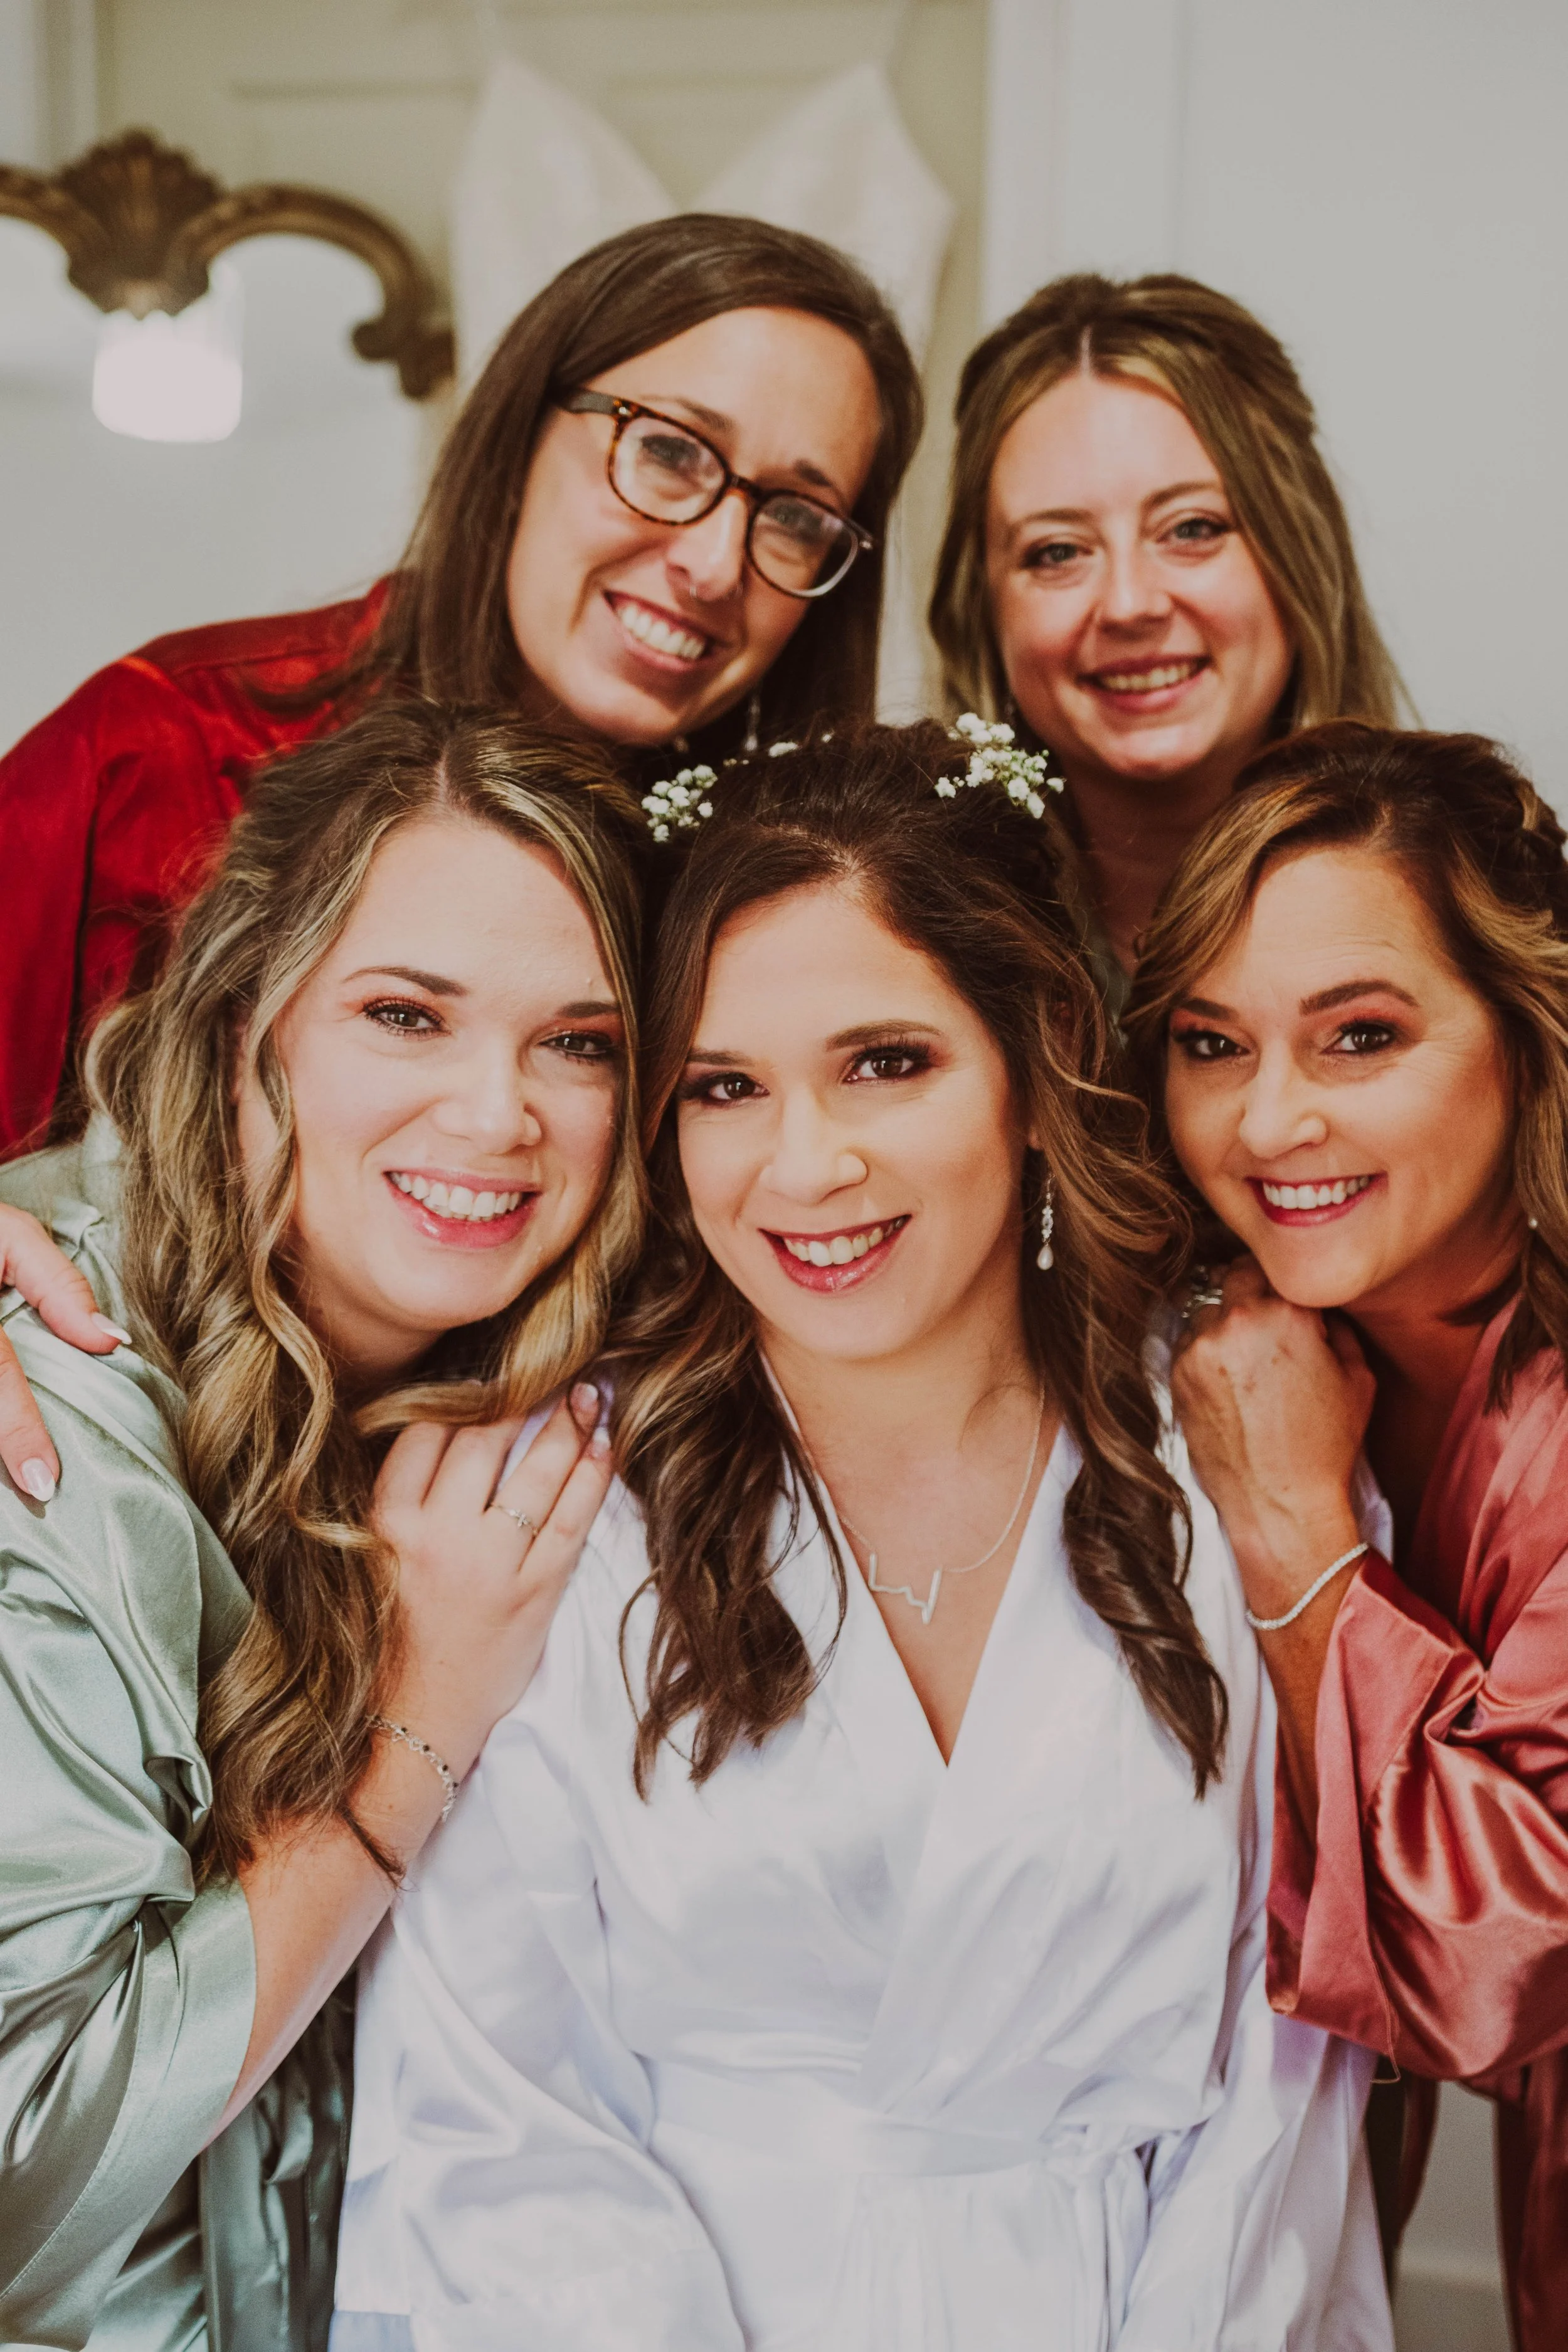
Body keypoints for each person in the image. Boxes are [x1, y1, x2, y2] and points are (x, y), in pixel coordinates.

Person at [330, 722, 1390, 2351]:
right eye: (725, 1087)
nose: (803, 1163)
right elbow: (489, 2110)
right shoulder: (548, 1502)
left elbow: (1284, 2097)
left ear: (1034, 1059)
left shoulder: (1243, 1461)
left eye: (883, 1060)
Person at [0, 702, 652, 2349]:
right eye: (404, 1012)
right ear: (246, 1017)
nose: (499, 1110)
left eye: (578, 1041)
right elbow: (22, 2176)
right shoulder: (50, 1406)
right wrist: (414, 1730)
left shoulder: (542, 1408)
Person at [0, 212, 921, 1162]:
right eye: (670, 451)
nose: (715, 563)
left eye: (797, 517)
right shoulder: (159, 746)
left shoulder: (767, 889)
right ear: (520, 433)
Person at [1123, 721, 1568, 2350]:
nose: (1266, 1121)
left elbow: (1489, 1947)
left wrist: (1290, 1525)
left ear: (1520, 1029)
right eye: (1211, 1042)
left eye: (1357, 1033)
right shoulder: (1301, 1347)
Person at [928, 272, 1403, 996]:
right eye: (1058, 551)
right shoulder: (915, 946)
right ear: (983, 608)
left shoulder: (1472, 919)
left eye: (1191, 530)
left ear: (1298, 556)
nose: (1128, 604)